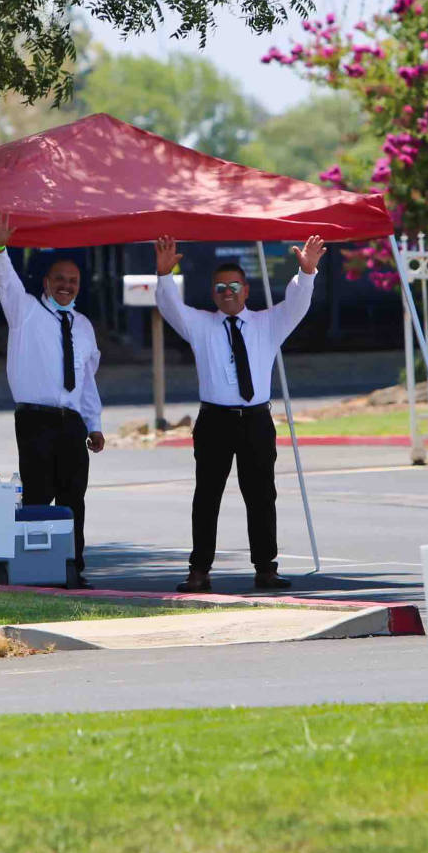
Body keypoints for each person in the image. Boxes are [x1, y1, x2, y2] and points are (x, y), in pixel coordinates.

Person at [153, 234, 325, 592]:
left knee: (261, 495)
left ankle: (266, 568)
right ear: (213, 293)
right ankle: (199, 570)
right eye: (220, 288)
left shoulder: (267, 323)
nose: (227, 292)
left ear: (246, 290)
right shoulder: (200, 325)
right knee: (207, 496)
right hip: (215, 420)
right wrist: (164, 274)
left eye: (234, 286)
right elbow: (171, 308)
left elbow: (297, 305)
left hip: (256, 420)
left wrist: (306, 273)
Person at [0, 212, 104, 587]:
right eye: (60, 280)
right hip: (35, 419)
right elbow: (5, 282)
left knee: (74, 498)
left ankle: (72, 568)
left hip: (72, 422)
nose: (66, 286)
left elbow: (86, 382)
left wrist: (94, 424)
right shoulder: (25, 311)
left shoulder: (83, 326)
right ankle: (35, 569)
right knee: (38, 495)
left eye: (73, 281)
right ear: (46, 283)